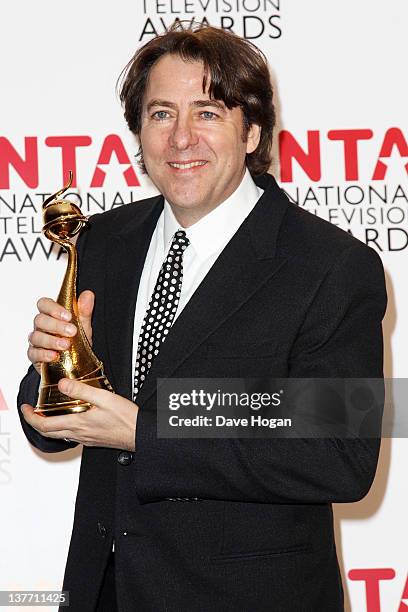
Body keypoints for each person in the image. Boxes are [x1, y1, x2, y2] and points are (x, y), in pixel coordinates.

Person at [17, 24, 387, 612]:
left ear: (253, 132)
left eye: (208, 112)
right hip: (103, 592)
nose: (181, 138)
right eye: (161, 114)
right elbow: (45, 420)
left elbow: (339, 456)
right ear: (139, 133)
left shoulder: (329, 266)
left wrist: (146, 433)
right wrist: (55, 370)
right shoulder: (105, 241)